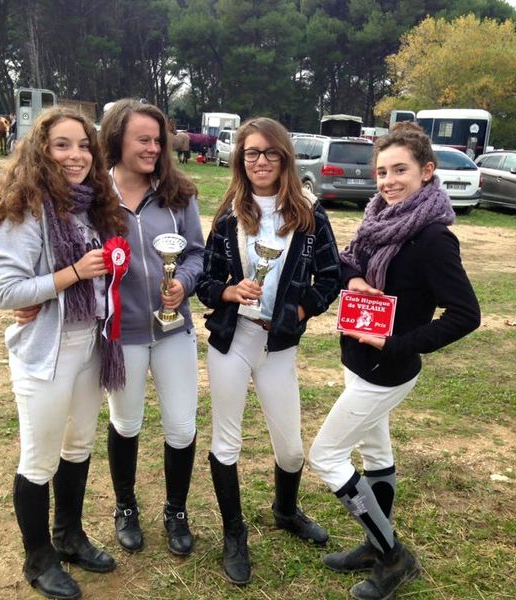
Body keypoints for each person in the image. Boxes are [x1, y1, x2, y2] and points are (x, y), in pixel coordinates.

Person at [308, 122, 481, 600]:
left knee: (326, 456)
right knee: (377, 454)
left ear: (427, 172)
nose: (387, 180)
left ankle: (392, 555)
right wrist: (357, 279)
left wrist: (399, 344)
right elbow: (348, 258)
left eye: (400, 170)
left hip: (385, 371)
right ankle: (373, 543)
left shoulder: (432, 237)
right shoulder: (378, 217)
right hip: (359, 360)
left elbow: (466, 315)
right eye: (382, 171)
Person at [0, 106, 126, 600]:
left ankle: (69, 535)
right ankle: (38, 558)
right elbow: (6, 293)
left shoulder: (92, 206)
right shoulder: (26, 209)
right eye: (62, 145)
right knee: (39, 460)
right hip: (46, 353)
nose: (76, 155)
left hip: (91, 346)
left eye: (84, 145)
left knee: (79, 445)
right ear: (41, 150)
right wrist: (71, 276)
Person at [196, 117, 341, 585]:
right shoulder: (226, 216)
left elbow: (331, 277)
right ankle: (234, 534)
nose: (260, 161)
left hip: (278, 344)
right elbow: (204, 281)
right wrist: (227, 292)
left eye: (270, 153)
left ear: (285, 157)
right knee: (227, 442)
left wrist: (301, 312)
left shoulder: (310, 215)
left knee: (292, 448)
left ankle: (285, 509)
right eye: (251, 153)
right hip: (232, 341)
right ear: (240, 159)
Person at [99, 98, 204, 557]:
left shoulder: (179, 194)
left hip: (172, 330)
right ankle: (125, 507)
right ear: (116, 139)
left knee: (181, 428)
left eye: (158, 141)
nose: (153, 148)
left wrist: (181, 282)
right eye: (143, 139)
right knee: (126, 423)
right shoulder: (93, 194)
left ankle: (176, 510)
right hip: (121, 334)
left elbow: (197, 254)